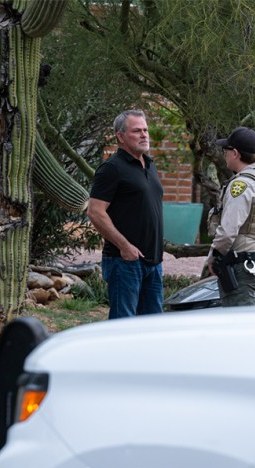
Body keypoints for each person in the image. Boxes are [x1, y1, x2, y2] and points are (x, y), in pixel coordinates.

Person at [87, 109, 165, 319]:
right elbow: (95, 211)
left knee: (152, 327)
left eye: (145, 130)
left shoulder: (149, 165)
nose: (144, 135)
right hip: (125, 262)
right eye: (136, 131)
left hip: (153, 263)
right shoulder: (112, 168)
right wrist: (125, 246)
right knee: (123, 326)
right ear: (120, 136)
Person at [207, 126, 255, 307]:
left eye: (226, 150)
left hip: (242, 265)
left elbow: (228, 230)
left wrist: (213, 257)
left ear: (235, 153)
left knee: (238, 327)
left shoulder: (241, 185)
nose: (224, 154)